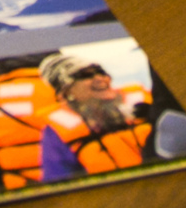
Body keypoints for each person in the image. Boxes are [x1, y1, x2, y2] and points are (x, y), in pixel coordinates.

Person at [35, 52, 154, 183]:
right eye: (85, 75)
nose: (99, 78)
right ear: (65, 91)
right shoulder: (56, 132)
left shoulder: (146, 101)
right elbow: (59, 183)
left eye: (101, 72)